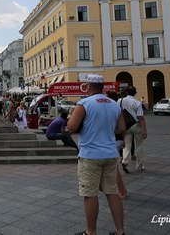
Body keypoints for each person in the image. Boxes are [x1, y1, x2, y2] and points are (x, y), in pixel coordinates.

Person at [67, 74, 126, 235]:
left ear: (88, 86)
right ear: (102, 87)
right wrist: (106, 131)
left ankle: (91, 232)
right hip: (110, 153)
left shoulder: (84, 104)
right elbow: (121, 128)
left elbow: (71, 127)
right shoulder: (114, 104)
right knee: (112, 192)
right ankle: (120, 231)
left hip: (90, 155)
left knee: (90, 194)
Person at [119, 86, 147, 173]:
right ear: (135, 93)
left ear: (126, 92)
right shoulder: (137, 103)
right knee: (139, 146)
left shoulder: (120, 101)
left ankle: (125, 161)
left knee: (127, 146)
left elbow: (116, 113)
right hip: (136, 125)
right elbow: (140, 117)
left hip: (125, 125)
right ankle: (139, 166)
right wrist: (144, 130)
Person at [107, 90, 128, 200]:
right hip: (118, 140)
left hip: (113, 141)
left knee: (113, 168)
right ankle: (119, 189)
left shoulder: (110, 108)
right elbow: (123, 128)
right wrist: (124, 140)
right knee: (111, 167)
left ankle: (122, 190)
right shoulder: (116, 107)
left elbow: (120, 128)